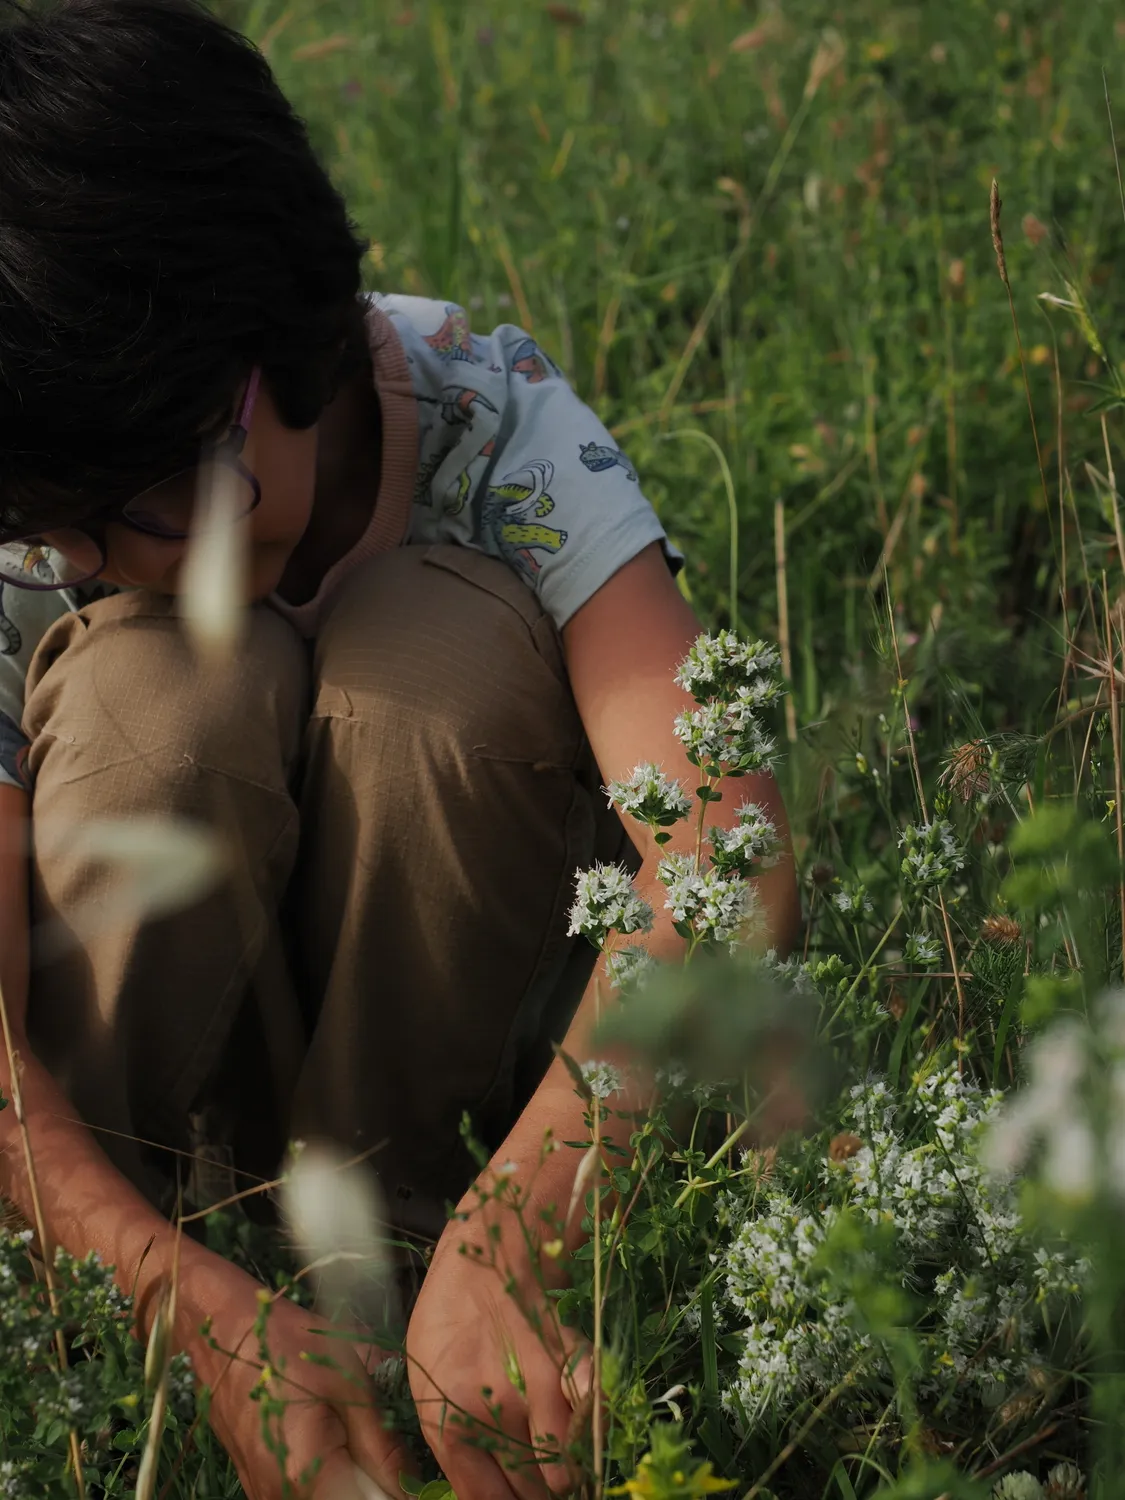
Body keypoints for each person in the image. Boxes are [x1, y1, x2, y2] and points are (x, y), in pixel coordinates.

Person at [0, 0, 801, 1496]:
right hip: (148, 1185)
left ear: (281, 343)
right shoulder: (38, 510)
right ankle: (94, 1340)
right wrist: (177, 1301)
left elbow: (726, 852)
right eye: (61, 526)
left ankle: (425, 1264)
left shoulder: (494, 422)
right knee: (148, 706)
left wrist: (524, 1229)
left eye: (157, 495)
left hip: (474, 1121)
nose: (113, 561)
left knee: (436, 656)